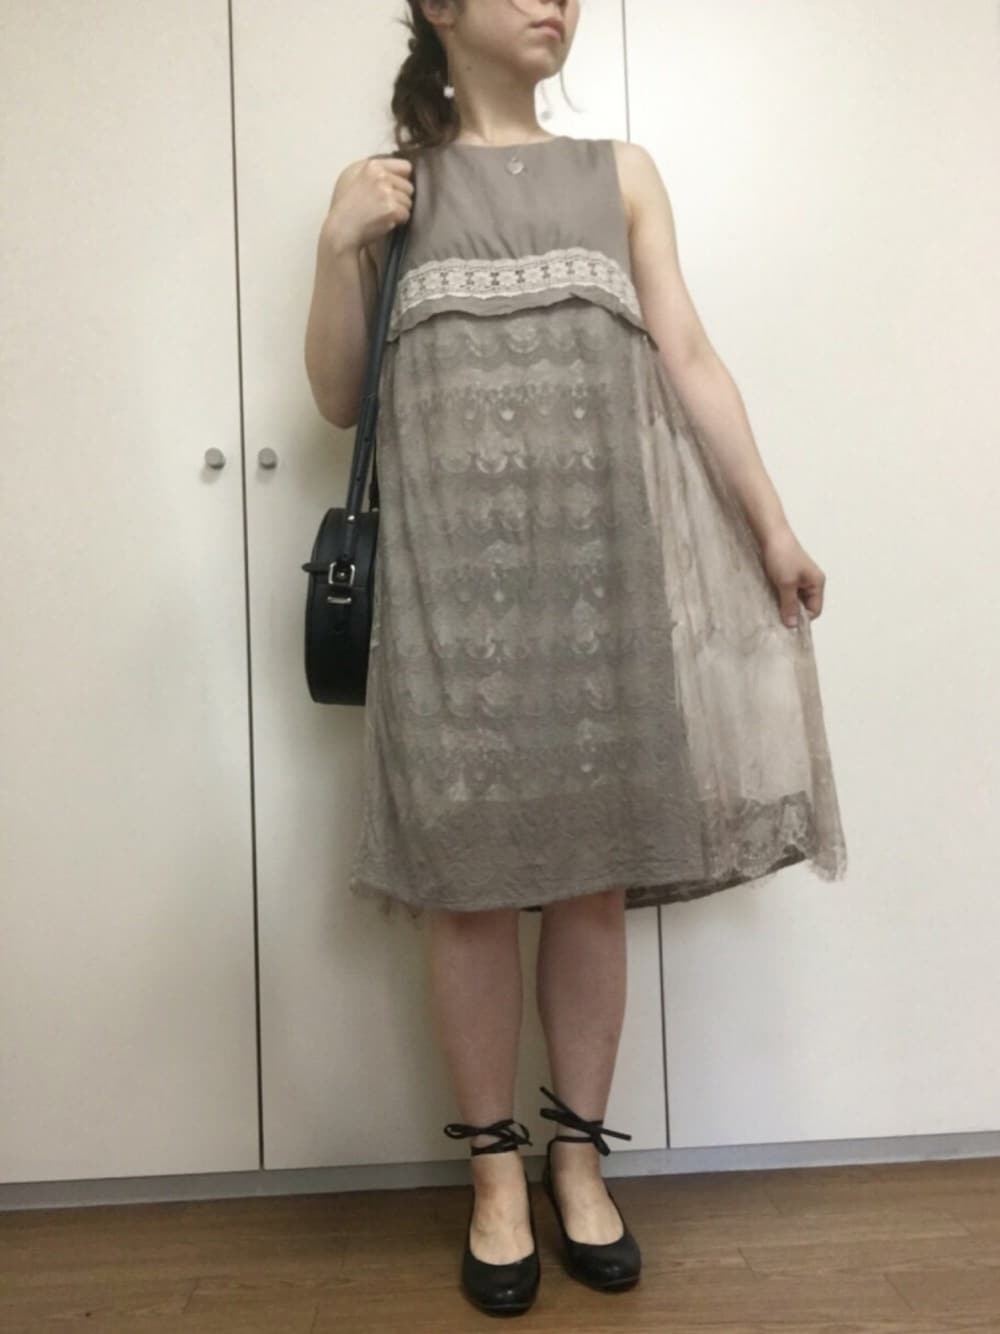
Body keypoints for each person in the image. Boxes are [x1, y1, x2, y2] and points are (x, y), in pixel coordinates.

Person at [304, 0, 847, 1316]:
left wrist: (773, 524)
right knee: (469, 892)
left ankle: (579, 1159)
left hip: (603, 587)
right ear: (441, 7)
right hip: (450, 610)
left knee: (593, 884)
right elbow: (336, 397)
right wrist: (334, 246)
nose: (556, 0)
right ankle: (494, 1175)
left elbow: (691, 357)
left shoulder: (624, 175)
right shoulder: (388, 189)